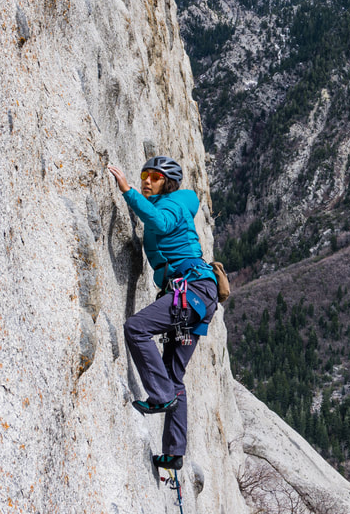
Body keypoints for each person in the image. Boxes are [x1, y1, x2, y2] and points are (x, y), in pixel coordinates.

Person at [108, 155, 218, 471]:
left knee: (136, 327)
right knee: (174, 376)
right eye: (144, 175)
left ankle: (158, 395)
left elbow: (161, 222)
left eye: (154, 177)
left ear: (166, 182)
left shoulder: (173, 204)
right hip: (196, 301)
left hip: (191, 293)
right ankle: (174, 452)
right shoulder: (170, 203)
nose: (146, 180)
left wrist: (128, 191)